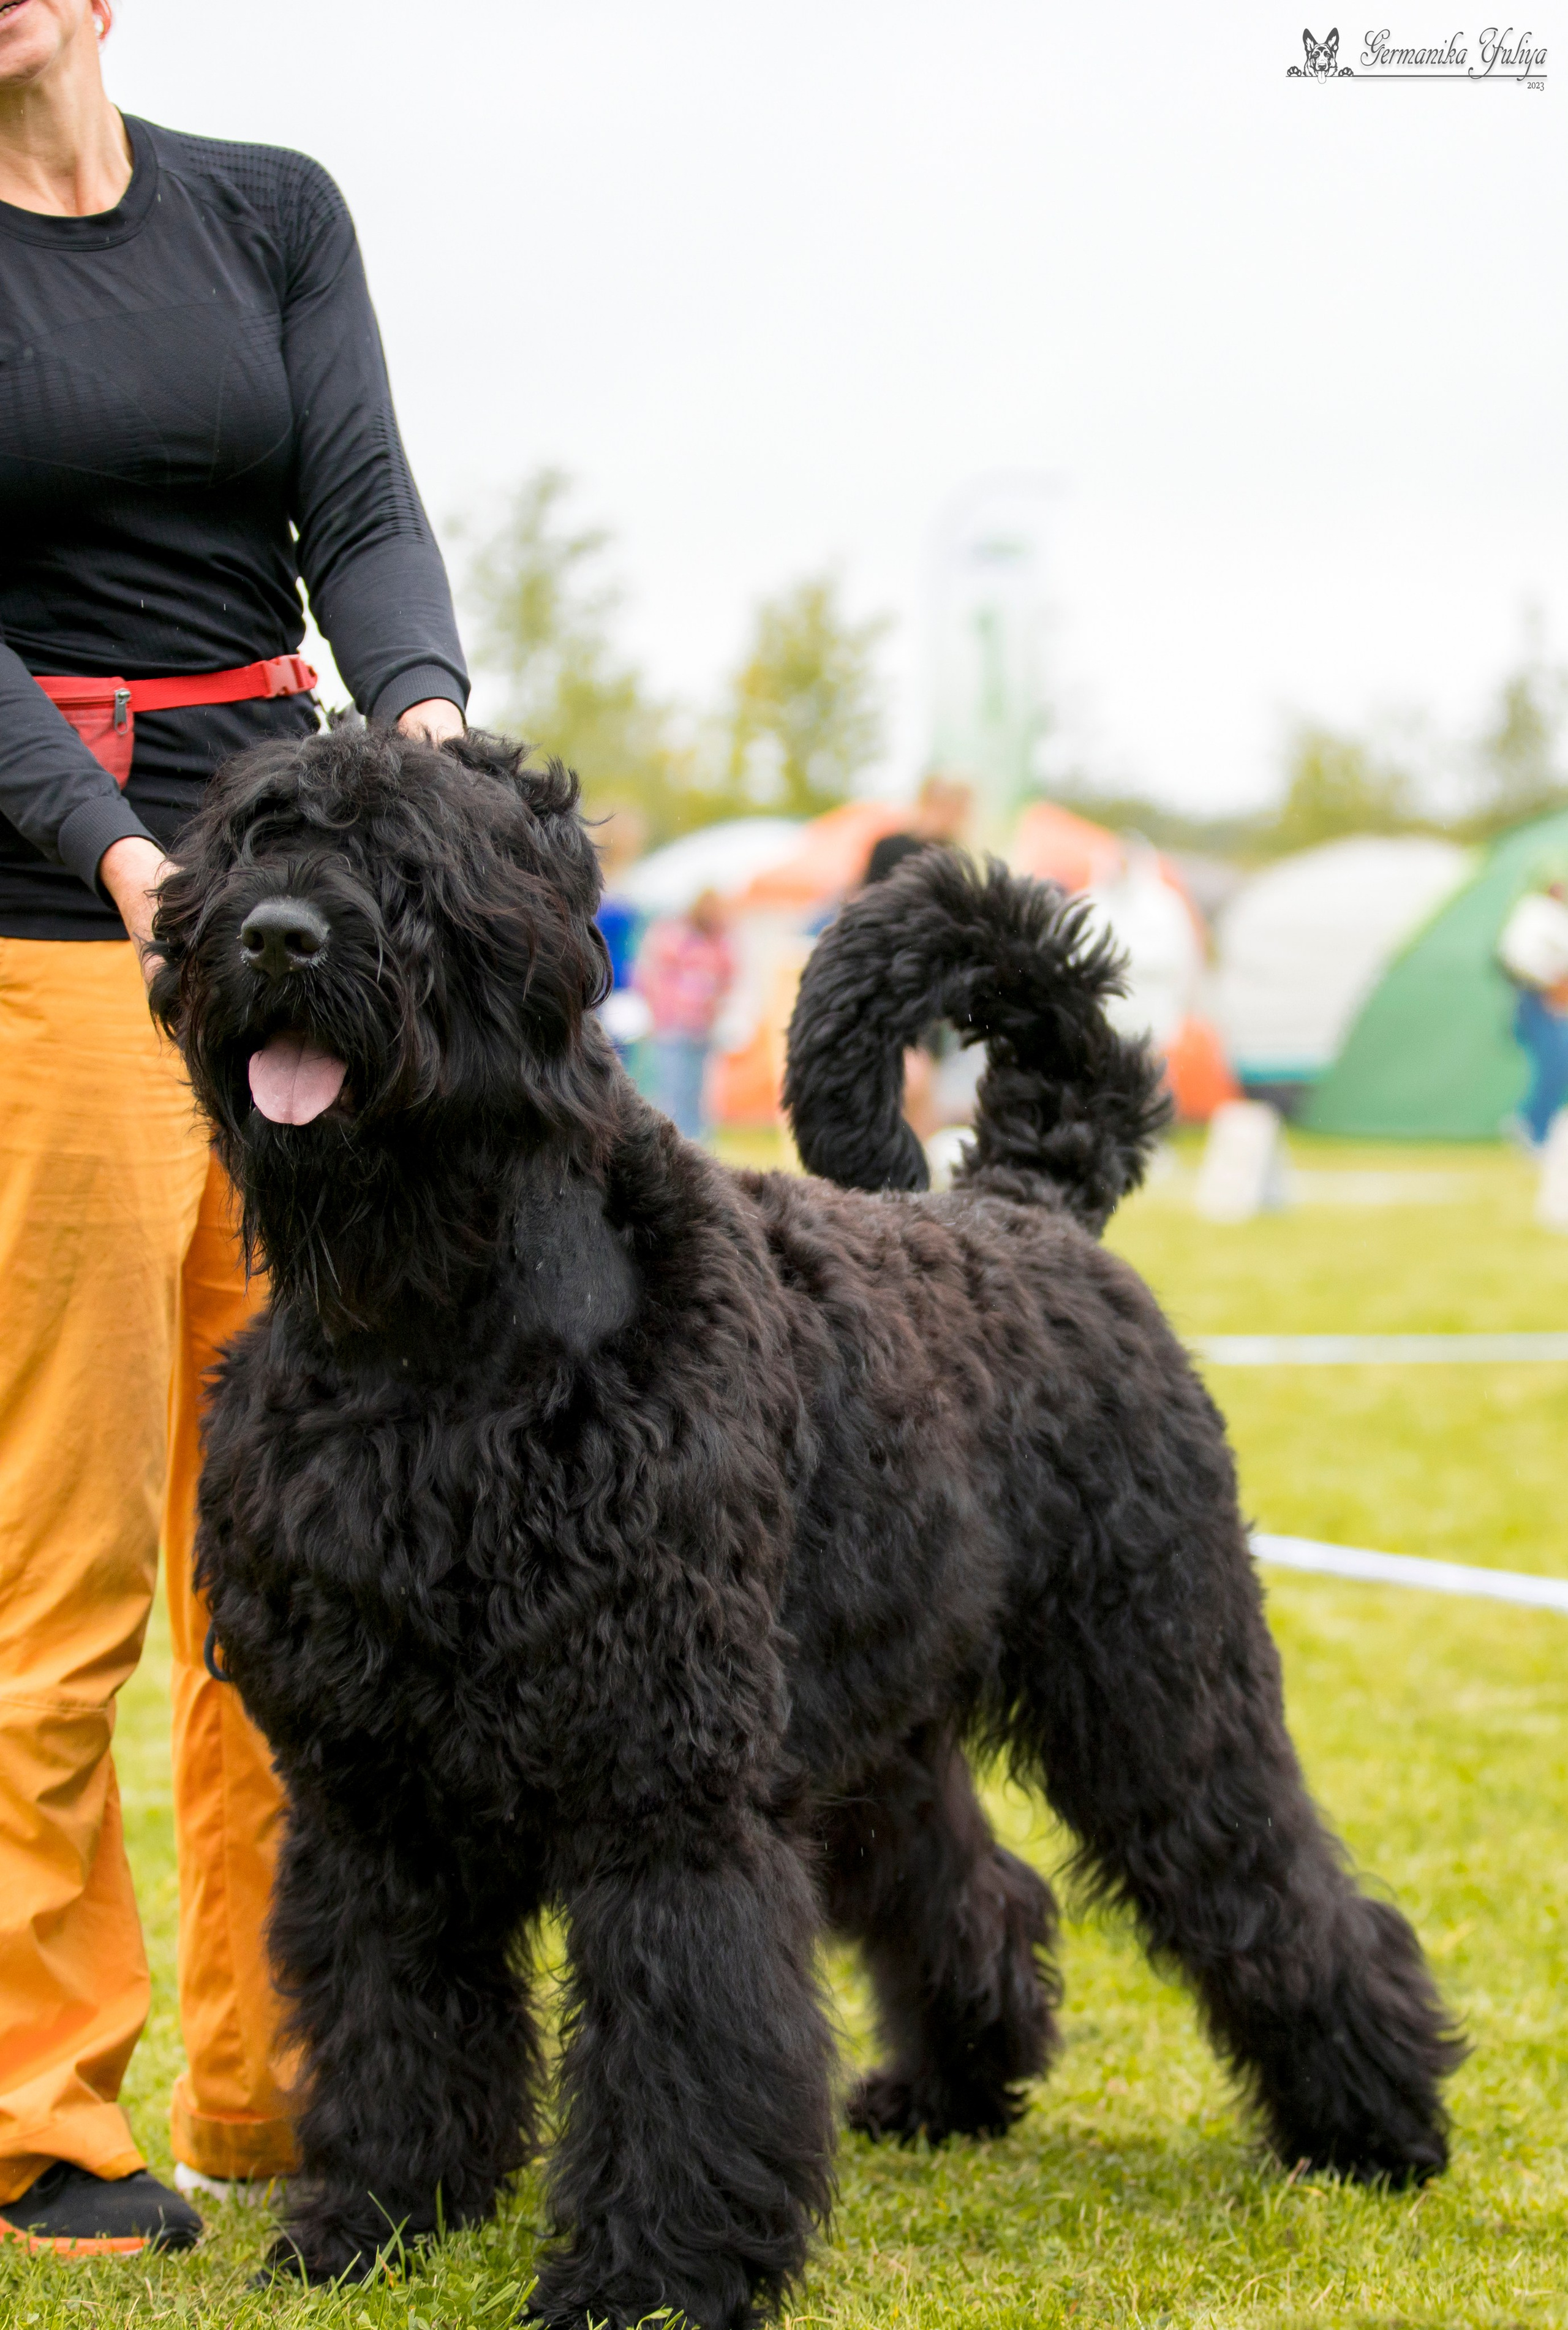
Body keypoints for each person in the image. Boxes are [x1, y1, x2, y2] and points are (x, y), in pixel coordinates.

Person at [0, 0, 467, 2256]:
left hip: (298, 912)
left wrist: (431, 734)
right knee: (62, 1565)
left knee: (293, 1551)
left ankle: (276, 2085)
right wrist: (118, 859)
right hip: (53, 934)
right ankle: (40, 2111)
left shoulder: (268, 210)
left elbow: (358, 504)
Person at [635, 888, 734, 1141]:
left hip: (703, 1027)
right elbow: (649, 975)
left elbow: (729, 978)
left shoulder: (719, 943)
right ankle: (674, 1142)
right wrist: (658, 1010)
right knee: (674, 1089)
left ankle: (698, 1143)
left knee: (699, 1093)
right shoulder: (673, 937)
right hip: (673, 1025)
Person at [1497, 878, 1568, 1152]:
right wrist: (1550, 980)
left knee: (1561, 1063)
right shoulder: (1534, 912)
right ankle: (1531, 1125)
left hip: (1555, 1000)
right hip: (1537, 998)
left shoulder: (1558, 916)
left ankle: (1538, 1127)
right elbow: (1518, 956)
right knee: (1556, 1060)